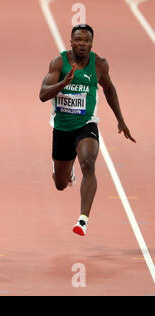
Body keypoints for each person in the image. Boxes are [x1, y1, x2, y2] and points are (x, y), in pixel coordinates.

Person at [39, 24, 136, 236]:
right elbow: (43, 95)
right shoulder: (59, 62)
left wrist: (121, 120)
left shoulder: (99, 64)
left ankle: (82, 220)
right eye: (78, 40)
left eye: (86, 40)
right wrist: (63, 83)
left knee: (89, 162)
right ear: (71, 41)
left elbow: (109, 89)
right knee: (60, 185)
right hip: (62, 128)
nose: (82, 44)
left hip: (86, 125)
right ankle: (65, 171)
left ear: (92, 43)